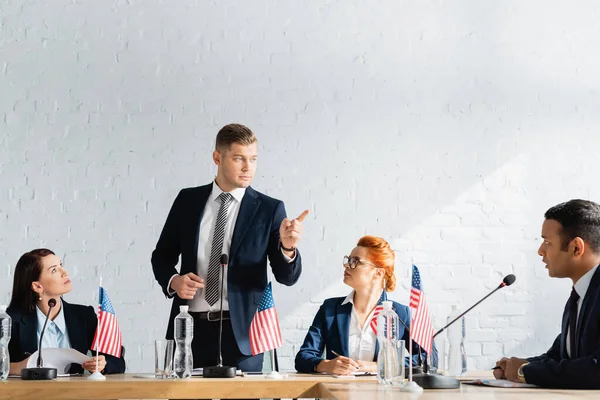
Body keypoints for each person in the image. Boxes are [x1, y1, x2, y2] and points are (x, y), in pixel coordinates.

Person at [151, 123, 308, 371]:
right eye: (239, 159)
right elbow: (161, 256)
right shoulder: (187, 200)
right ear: (217, 157)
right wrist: (174, 281)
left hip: (244, 336)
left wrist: (287, 249)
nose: (248, 168)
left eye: (253, 159)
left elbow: (286, 278)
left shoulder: (269, 209)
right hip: (190, 332)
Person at [494, 199, 600, 389]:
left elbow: (596, 369)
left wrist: (523, 372)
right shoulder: (579, 295)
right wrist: (516, 366)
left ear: (576, 248)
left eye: (547, 242)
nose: (540, 251)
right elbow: (559, 355)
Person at [295, 236, 434, 375]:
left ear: (378, 273)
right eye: (348, 260)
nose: (347, 265)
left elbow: (430, 358)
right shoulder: (330, 309)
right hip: (337, 392)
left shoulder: (400, 313)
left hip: (382, 393)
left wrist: (379, 365)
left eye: (355, 261)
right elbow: (303, 358)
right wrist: (327, 365)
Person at [7, 248, 126, 375]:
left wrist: (103, 364)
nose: (64, 272)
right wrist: (21, 367)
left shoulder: (84, 316)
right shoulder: (10, 320)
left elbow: (117, 362)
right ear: (37, 286)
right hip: (29, 393)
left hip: (74, 393)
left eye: (61, 266)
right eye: (54, 270)